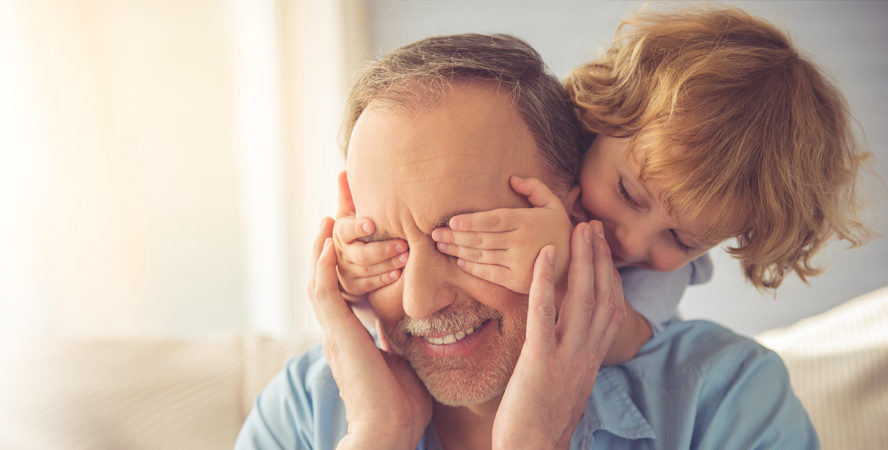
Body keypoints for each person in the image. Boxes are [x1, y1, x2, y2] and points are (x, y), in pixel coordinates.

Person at [235, 33, 817, 449]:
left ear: (569, 213)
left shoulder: (728, 403)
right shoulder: (303, 410)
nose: (418, 302)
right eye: (385, 241)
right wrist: (375, 439)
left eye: (462, 238)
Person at [337, 6, 871, 364]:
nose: (632, 243)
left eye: (682, 240)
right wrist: (363, 259)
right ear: (598, 119)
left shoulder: (659, 288)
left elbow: (619, 340)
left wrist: (563, 274)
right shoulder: (532, 154)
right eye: (630, 195)